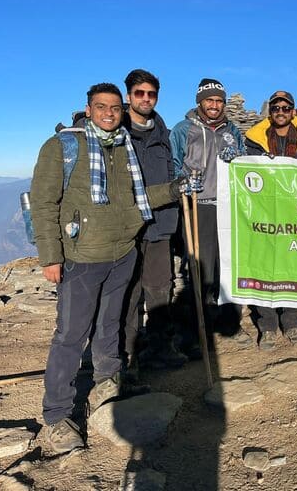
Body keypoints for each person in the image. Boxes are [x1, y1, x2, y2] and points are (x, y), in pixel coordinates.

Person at [31, 83, 189, 454]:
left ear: (121, 111)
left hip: (122, 253)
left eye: (115, 108)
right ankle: (57, 416)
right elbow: (43, 203)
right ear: (88, 109)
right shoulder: (63, 146)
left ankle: (107, 385)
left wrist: (174, 188)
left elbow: (138, 198)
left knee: (109, 326)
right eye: (101, 107)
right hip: (82, 257)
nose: (108, 113)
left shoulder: (123, 146)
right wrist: (51, 257)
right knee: (71, 336)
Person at [170, 78, 250, 352]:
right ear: (200, 102)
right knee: (201, 269)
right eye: (209, 100)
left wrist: (237, 158)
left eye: (219, 100)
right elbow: (173, 164)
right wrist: (183, 181)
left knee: (228, 267)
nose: (214, 105)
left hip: (228, 206)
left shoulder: (232, 130)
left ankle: (229, 323)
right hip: (198, 205)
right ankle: (195, 330)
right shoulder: (184, 130)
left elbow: (244, 162)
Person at [245, 90, 297, 348]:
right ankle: (268, 325)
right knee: (263, 265)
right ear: (270, 111)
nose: (280, 112)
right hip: (265, 213)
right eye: (276, 108)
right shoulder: (254, 140)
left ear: (293, 111)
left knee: (294, 265)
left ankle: (291, 322)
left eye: (285, 108)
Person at [119, 69, 187, 371]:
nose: (146, 99)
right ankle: (127, 357)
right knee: (129, 292)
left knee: (160, 289)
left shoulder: (164, 135)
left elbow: (173, 174)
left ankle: (161, 348)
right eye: (139, 93)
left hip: (160, 225)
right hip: (127, 228)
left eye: (151, 94)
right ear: (128, 96)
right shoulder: (116, 133)